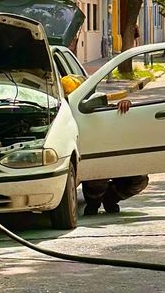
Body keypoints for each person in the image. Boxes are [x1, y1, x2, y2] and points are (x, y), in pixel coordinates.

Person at [59, 76, 149, 216]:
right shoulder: (63, 118)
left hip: (119, 161)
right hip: (94, 165)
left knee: (140, 180)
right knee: (97, 175)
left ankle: (110, 199)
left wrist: (126, 104)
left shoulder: (98, 109)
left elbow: (116, 113)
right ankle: (93, 203)